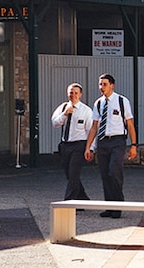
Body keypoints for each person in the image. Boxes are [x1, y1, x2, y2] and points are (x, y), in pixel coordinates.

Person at [84, 74, 138, 219]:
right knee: (105, 174)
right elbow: (94, 127)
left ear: (112, 85)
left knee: (114, 170)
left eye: (105, 84)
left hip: (117, 141)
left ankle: (118, 205)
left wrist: (133, 145)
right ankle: (109, 206)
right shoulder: (98, 103)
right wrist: (89, 147)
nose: (102, 87)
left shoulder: (122, 101)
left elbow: (130, 124)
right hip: (103, 142)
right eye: (100, 84)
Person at [51, 83, 93, 201]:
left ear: (80, 95)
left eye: (75, 93)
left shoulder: (86, 111)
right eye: (71, 92)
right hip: (65, 145)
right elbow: (55, 123)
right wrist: (64, 114)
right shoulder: (63, 107)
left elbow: (91, 131)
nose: (73, 95)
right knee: (69, 175)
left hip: (79, 145)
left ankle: (69, 202)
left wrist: (90, 148)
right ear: (67, 93)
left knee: (74, 174)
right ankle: (83, 198)